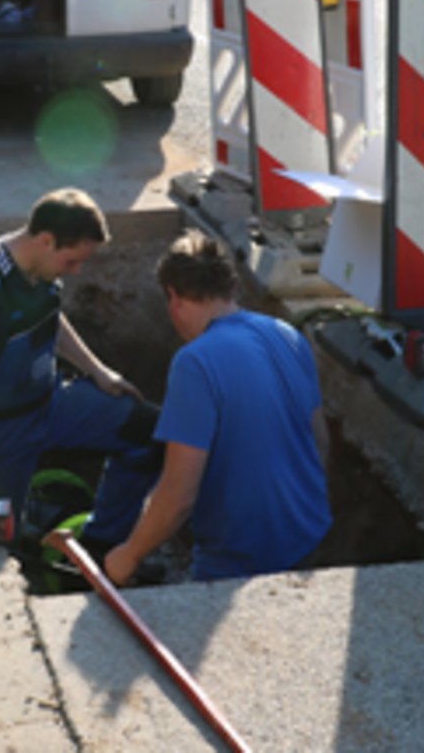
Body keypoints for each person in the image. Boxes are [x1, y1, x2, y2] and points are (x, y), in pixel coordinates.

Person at [0, 188, 159, 551]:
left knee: (150, 432)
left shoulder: (41, 271)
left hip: (50, 404)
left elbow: (51, 318)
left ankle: (102, 545)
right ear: (46, 241)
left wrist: (98, 371)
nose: (77, 271)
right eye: (71, 262)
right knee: (1, 540)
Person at [105, 230, 332, 585]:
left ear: (174, 297)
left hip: (242, 557)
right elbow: (319, 441)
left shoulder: (195, 362)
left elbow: (179, 495)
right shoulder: (287, 334)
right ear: (229, 288)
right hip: (307, 535)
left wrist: (128, 554)